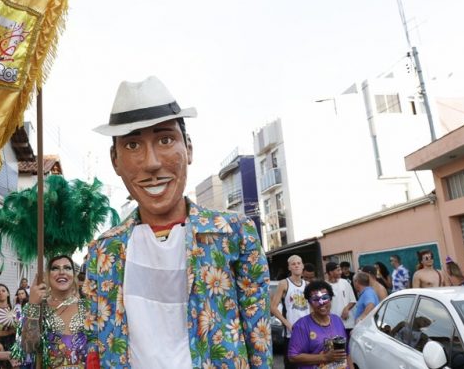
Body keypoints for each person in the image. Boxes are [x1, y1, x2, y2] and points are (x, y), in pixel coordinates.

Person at [84, 76, 272, 368]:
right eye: (133, 144)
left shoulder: (234, 235)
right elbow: (96, 342)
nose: (151, 163)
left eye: (165, 139)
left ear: (189, 148)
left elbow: (258, 338)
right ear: (115, 160)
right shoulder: (103, 252)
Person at [22, 255, 89, 368]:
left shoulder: (88, 307)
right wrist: (33, 305)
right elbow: (28, 347)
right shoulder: (38, 307)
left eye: (67, 268)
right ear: (47, 276)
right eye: (55, 268)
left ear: (74, 275)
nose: (62, 271)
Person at [287, 280, 352, 369]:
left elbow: (346, 354)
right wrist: (324, 357)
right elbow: (293, 357)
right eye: (316, 299)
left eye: (325, 297)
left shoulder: (337, 320)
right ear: (309, 302)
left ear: (331, 298)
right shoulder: (302, 325)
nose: (321, 303)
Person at [272, 255, 309, 369]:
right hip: (291, 333)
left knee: (308, 364)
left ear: (302, 266)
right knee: (291, 365)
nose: (296, 265)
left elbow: (312, 307)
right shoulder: (284, 283)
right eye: (293, 264)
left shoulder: (307, 284)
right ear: (289, 267)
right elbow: (273, 307)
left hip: (307, 331)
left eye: (299, 263)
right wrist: (287, 324)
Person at [0, 284, 17, 369]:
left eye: (3, 291)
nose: (1, 293)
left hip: (12, 343)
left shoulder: (14, 311)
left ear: (8, 293)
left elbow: (19, 330)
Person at [325, 261, 356, 334]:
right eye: (338, 270)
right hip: (332, 323)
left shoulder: (345, 282)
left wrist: (346, 309)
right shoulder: (324, 286)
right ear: (330, 272)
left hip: (348, 322)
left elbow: (353, 300)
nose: (341, 272)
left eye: (340, 270)